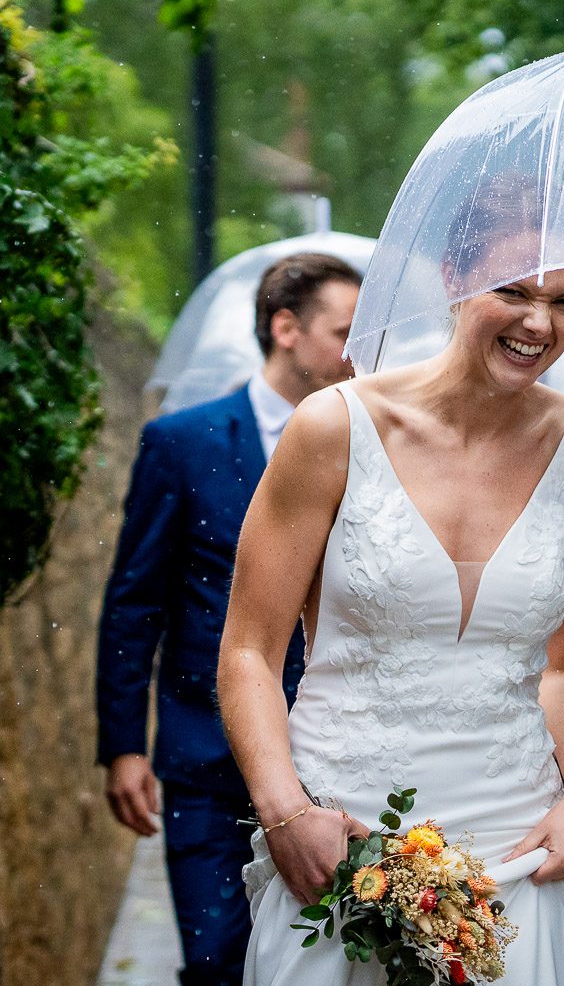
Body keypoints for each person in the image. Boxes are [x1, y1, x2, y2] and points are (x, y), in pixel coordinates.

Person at [218, 191, 564, 985]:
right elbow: (248, 652)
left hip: (517, 854)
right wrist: (287, 813)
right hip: (345, 846)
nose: (540, 323)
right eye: (513, 290)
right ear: (452, 279)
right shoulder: (333, 428)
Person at [96, 252, 361, 986]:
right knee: (216, 960)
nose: (357, 353)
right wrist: (122, 746)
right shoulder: (182, 442)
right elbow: (135, 601)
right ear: (284, 328)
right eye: (344, 331)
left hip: (332, 756)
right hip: (205, 761)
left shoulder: (371, 447)